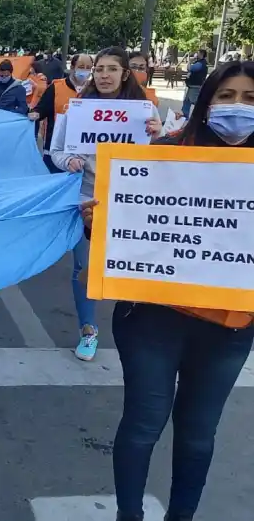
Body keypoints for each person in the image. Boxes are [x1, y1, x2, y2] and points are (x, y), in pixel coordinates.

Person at [79, 60, 254, 521]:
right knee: (143, 423)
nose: (238, 108)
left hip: (230, 327)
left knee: (198, 434)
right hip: (152, 317)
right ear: (207, 102)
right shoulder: (166, 152)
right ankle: (129, 516)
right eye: (227, 96)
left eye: (250, 99)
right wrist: (97, 218)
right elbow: (117, 229)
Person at [50, 46, 163, 362]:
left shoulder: (145, 111)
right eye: (99, 69)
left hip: (132, 203)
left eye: (111, 69)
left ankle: (139, 332)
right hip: (89, 202)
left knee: (133, 269)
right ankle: (88, 329)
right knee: (85, 268)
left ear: (125, 74)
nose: (103, 75)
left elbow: (164, 159)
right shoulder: (77, 111)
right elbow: (56, 151)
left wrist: (159, 135)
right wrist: (69, 159)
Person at [30, 53, 94, 172]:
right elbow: (41, 109)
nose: (85, 71)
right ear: (72, 68)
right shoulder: (56, 88)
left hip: (82, 154)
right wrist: (34, 114)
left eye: (88, 68)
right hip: (55, 150)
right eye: (81, 67)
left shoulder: (93, 91)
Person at [183, 49, 208, 118]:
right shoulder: (201, 63)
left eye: (198, 53)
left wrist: (190, 61)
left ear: (201, 54)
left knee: (194, 101)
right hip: (193, 85)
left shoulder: (200, 64)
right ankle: (184, 115)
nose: (196, 54)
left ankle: (202, 114)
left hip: (195, 86)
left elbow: (189, 68)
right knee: (187, 101)